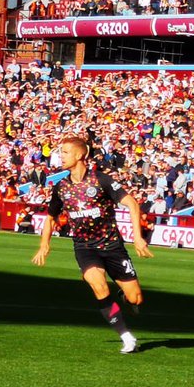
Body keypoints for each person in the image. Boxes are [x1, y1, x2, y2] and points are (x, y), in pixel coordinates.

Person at [31, 137, 153, 354]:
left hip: (113, 246)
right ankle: (126, 337)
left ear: (79, 155)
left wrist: (138, 237)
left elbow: (132, 204)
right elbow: (50, 218)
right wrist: (44, 245)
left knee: (136, 299)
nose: (61, 156)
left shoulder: (101, 181)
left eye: (65, 152)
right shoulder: (61, 187)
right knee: (98, 285)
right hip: (85, 248)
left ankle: (124, 297)